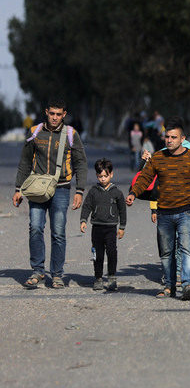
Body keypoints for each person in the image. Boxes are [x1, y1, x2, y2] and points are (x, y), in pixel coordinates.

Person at [127, 116, 190, 300]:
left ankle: (187, 284)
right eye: (167, 137)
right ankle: (168, 286)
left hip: (187, 211)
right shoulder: (158, 157)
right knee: (167, 252)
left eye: (173, 137)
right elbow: (145, 178)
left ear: (182, 139)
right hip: (165, 212)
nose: (169, 140)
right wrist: (134, 193)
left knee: (186, 248)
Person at [13, 98, 88, 289]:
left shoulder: (71, 134)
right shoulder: (35, 132)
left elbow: (81, 163)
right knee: (36, 228)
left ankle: (56, 275)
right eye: (51, 113)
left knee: (58, 233)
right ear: (46, 112)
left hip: (61, 189)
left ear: (64, 114)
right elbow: (24, 161)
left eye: (58, 114)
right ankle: (37, 271)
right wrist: (18, 189)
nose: (54, 117)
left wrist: (79, 191)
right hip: (37, 188)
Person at [80, 158, 127, 291]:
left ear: (111, 174)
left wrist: (122, 227)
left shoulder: (117, 193)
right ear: (96, 175)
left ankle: (111, 276)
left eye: (105, 176)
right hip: (97, 228)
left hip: (111, 228)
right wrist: (83, 220)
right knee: (98, 254)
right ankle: (98, 278)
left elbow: (123, 211)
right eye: (100, 176)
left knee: (111, 252)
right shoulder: (93, 191)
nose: (103, 179)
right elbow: (86, 206)